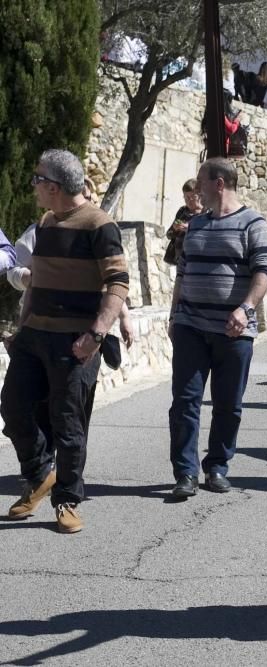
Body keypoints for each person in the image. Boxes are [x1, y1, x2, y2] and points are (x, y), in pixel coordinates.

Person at [1, 149, 128, 533]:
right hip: (34, 335)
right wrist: (21, 328)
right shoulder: (46, 221)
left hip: (75, 341)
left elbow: (118, 283)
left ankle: (67, 500)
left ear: (53, 187)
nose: (33, 186)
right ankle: (41, 474)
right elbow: (37, 280)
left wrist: (96, 334)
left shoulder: (99, 225)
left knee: (68, 423)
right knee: (13, 405)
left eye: (37, 180)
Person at [167, 158, 267, 498]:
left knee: (228, 404)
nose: (196, 188)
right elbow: (182, 273)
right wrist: (174, 316)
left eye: (201, 180)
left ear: (219, 183)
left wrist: (245, 308)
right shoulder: (195, 224)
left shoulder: (252, 223)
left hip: (234, 331)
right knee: (184, 401)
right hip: (190, 326)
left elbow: (264, 270)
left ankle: (216, 466)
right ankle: (185, 473)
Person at [164, 179, 203, 266]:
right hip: (180, 261)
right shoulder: (182, 211)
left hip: (198, 259)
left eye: (192, 197)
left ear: (200, 195)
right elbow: (169, 235)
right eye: (186, 197)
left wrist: (189, 228)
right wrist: (175, 228)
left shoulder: (207, 212)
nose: (189, 200)